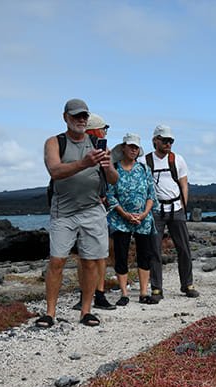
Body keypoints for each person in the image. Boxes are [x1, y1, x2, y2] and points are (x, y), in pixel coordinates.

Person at [37, 98, 118, 328]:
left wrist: (107, 166)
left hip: (92, 210)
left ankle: (86, 311)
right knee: (57, 261)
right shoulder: (55, 142)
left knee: (90, 262)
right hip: (63, 212)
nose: (81, 120)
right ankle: (50, 313)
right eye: (76, 116)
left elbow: (114, 180)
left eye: (84, 116)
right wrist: (84, 163)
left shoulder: (97, 143)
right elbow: (55, 171)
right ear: (66, 117)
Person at [142, 124, 199, 300]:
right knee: (154, 250)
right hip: (155, 211)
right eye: (165, 140)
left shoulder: (177, 160)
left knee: (184, 248)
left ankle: (187, 284)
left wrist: (183, 206)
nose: (168, 144)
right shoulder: (145, 161)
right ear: (155, 140)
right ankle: (156, 289)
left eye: (171, 141)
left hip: (176, 209)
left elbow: (184, 184)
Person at [105, 133, 159, 305]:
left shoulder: (144, 169)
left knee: (145, 255)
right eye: (131, 146)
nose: (134, 150)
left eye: (136, 147)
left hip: (143, 219)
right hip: (120, 220)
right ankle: (124, 294)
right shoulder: (114, 169)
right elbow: (110, 195)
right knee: (121, 255)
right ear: (123, 148)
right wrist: (124, 214)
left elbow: (151, 194)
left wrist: (143, 214)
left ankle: (143, 293)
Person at [71, 113, 116, 312]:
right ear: (95, 131)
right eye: (103, 129)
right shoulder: (78, 152)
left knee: (97, 254)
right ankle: (92, 294)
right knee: (88, 255)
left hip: (93, 207)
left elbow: (110, 178)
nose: (105, 133)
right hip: (80, 207)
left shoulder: (102, 152)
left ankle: (96, 294)